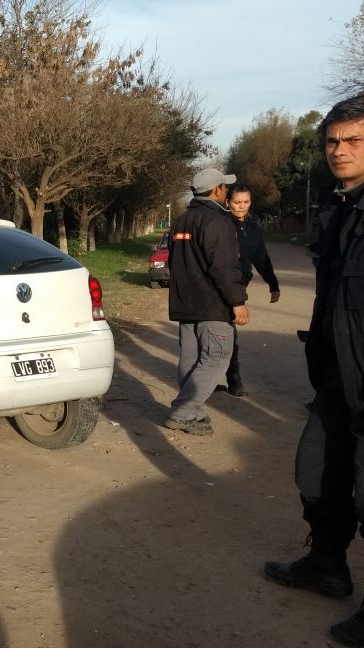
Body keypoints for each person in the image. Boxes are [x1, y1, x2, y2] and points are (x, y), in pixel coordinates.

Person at [264, 93, 364, 648]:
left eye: (353, 141)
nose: (339, 150)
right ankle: (327, 567)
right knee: (317, 473)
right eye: (332, 141)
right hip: (336, 376)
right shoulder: (339, 206)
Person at [162, 168, 250, 436]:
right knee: (217, 357)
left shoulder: (181, 222)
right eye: (224, 186)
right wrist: (237, 301)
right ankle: (184, 410)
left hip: (185, 304)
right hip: (212, 305)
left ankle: (194, 413)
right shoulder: (217, 222)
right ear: (216, 191)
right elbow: (223, 267)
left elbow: (172, 262)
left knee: (190, 359)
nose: (226, 190)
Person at [216, 184, 281, 397]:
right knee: (222, 333)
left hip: (240, 286)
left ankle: (228, 378)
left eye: (245, 202)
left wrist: (273, 284)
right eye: (237, 202)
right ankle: (228, 379)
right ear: (228, 202)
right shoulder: (222, 224)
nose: (241, 207)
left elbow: (261, 256)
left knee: (225, 333)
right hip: (220, 286)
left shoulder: (252, 226)